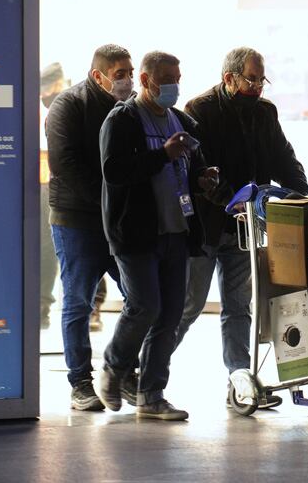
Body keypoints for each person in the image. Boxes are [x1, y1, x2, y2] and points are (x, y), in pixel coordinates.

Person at [175, 47, 308, 409]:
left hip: (243, 227)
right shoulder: (199, 110)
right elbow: (197, 169)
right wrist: (227, 200)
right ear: (229, 78)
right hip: (206, 224)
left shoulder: (265, 113)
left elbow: (282, 154)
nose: (257, 87)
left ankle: (241, 380)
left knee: (239, 307)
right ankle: (147, 372)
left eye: (261, 79)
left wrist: (300, 192)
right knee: (189, 305)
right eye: (250, 79)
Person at [96, 51, 219, 421]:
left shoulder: (182, 120)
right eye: (167, 78)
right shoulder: (123, 120)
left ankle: (151, 394)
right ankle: (114, 367)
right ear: (146, 81)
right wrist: (162, 155)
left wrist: (203, 179)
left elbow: (192, 166)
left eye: (178, 77)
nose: (174, 86)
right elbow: (114, 171)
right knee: (144, 306)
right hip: (135, 232)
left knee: (169, 314)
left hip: (176, 229)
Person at [46, 45, 138, 411]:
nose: (128, 79)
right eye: (120, 73)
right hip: (77, 222)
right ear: (98, 75)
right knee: (78, 302)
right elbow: (65, 164)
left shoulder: (132, 109)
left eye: (130, 71)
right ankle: (80, 383)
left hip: (118, 221)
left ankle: (122, 372)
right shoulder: (67, 106)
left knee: (139, 298)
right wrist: (108, 204)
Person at [39, 62, 68, 329]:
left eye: (48, 86)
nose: (44, 92)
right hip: (40, 185)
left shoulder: (70, 104)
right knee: (45, 247)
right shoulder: (41, 107)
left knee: (50, 248)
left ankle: (42, 306)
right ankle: (41, 305)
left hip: (56, 187)